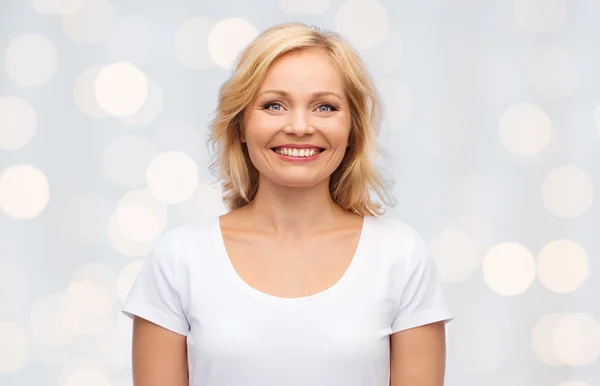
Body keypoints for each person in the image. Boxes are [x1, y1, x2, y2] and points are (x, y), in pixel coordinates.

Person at [121, 22, 454, 386]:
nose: (299, 126)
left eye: (325, 107)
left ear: (352, 129)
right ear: (241, 126)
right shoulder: (179, 258)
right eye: (274, 105)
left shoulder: (400, 256)